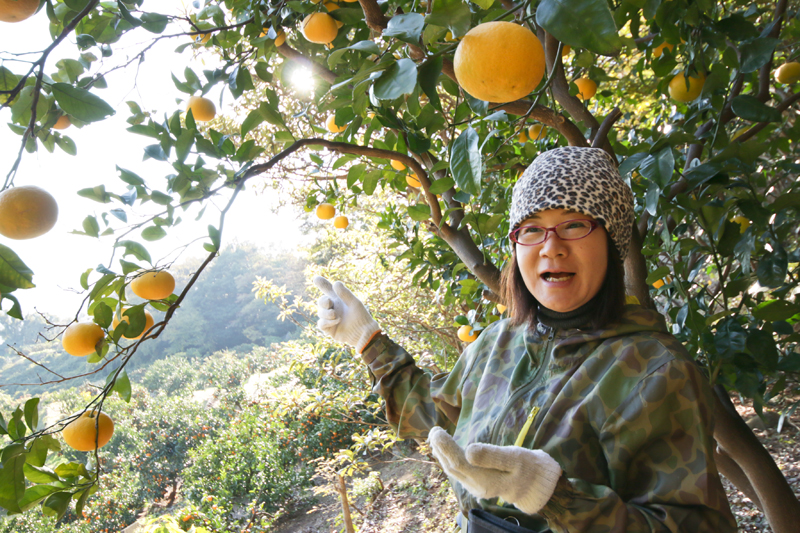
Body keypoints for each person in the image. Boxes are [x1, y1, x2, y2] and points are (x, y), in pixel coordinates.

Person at [313, 147, 737, 532]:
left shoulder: (654, 372)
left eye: (574, 225)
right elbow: (436, 418)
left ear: (612, 241)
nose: (551, 248)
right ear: (516, 247)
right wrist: (369, 342)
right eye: (532, 229)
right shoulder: (499, 341)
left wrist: (556, 497)